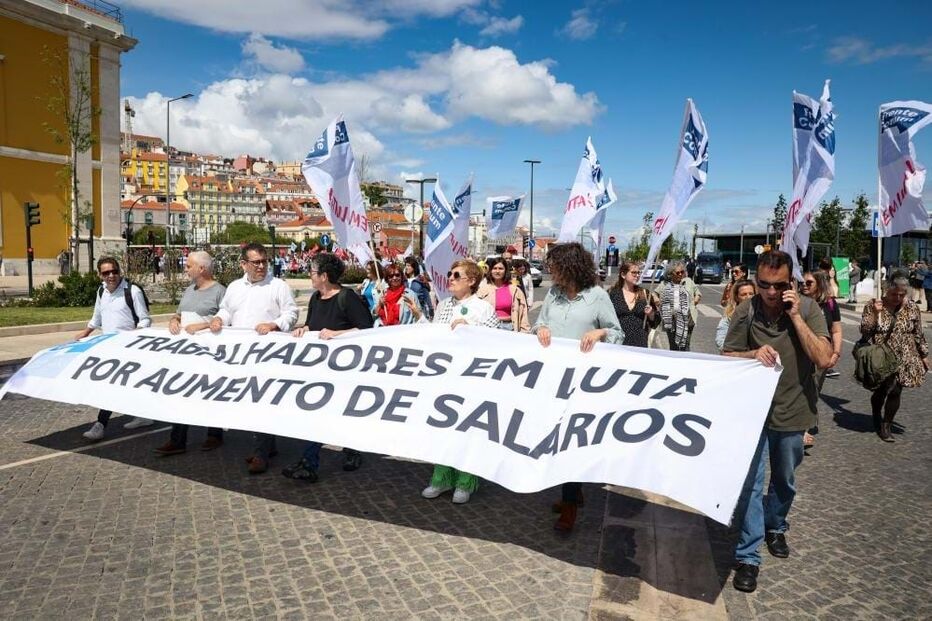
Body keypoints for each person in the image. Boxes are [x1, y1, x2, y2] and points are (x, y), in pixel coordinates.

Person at [723, 249, 832, 593]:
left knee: (783, 479)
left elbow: (825, 358)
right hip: (753, 413)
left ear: (791, 284)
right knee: (751, 486)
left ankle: (776, 525)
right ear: (756, 282)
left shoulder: (810, 309)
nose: (771, 293)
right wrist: (751, 354)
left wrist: (797, 317)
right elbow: (726, 356)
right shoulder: (746, 310)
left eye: (779, 285)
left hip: (794, 410)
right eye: (764, 285)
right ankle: (748, 556)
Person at [533, 243, 623, 532]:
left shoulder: (597, 296)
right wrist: (541, 329)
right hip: (553, 379)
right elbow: (540, 324)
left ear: (570, 266)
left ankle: (570, 504)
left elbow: (617, 332)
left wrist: (600, 332)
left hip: (584, 383)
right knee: (555, 439)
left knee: (569, 441)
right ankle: (573, 490)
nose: (551, 271)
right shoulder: (553, 294)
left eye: (555, 266)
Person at [283, 253, 374, 482]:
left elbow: (367, 329)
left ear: (324, 276)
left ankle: (351, 450)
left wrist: (337, 334)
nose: (309, 276)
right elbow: (311, 324)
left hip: (345, 370)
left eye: (312, 272)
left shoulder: (347, 298)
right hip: (319, 369)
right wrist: (304, 329)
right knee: (316, 414)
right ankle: (309, 462)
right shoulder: (315, 298)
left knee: (341, 412)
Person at [209, 243, 299, 474]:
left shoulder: (278, 286)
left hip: (268, 356)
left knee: (263, 402)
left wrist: (274, 324)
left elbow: (291, 313)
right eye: (255, 262)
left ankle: (261, 452)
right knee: (249, 403)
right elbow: (227, 310)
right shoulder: (234, 287)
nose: (261, 266)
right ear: (243, 264)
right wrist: (219, 319)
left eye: (264, 261)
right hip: (240, 356)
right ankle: (267, 445)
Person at [421, 259, 500, 504]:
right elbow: (434, 335)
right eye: (449, 274)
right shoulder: (443, 305)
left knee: (467, 430)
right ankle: (441, 477)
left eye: (456, 275)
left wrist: (471, 329)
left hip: (472, 378)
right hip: (446, 376)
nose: (451, 279)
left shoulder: (483, 308)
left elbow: (496, 341)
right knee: (443, 429)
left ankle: (466, 481)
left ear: (472, 281)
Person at [154, 251, 227, 456]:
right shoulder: (188, 291)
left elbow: (225, 321)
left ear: (201, 269)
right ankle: (177, 439)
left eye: (188, 266)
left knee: (210, 393)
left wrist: (203, 326)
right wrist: (173, 320)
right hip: (185, 354)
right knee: (180, 392)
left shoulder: (220, 291)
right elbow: (179, 313)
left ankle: (214, 434)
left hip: (209, 354)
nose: (185, 270)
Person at [79, 257, 153, 441]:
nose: (111, 276)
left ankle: (100, 425)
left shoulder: (132, 291)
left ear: (119, 271)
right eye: (106, 273)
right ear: (100, 275)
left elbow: (145, 319)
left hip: (130, 348)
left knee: (111, 385)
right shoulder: (101, 291)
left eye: (114, 271)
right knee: (126, 384)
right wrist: (85, 333)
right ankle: (144, 414)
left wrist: (133, 335)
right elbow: (97, 317)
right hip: (109, 347)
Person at [859, 276, 929, 442]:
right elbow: (865, 331)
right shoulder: (873, 304)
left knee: (896, 390)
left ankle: (886, 424)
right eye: (894, 294)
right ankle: (876, 412)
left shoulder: (911, 307)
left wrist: (924, 354)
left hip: (904, 355)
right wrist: (875, 315)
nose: (898, 298)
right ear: (886, 291)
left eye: (901, 294)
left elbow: (918, 332)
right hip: (882, 354)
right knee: (881, 389)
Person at [608, 261, 656, 348]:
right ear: (623, 275)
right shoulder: (613, 294)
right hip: (618, 343)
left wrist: (651, 314)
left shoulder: (645, 293)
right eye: (634, 273)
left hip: (640, 343)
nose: (637, 275)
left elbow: (656, 321)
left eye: (639, 273)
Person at [477, 256, 530, 333]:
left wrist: (525, 332)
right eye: (495, 268)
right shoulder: (482, 289)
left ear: (505, 271)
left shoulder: (515, 290)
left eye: (500, 268)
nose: (497, 271)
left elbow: (524, 315)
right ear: (490, 270)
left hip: (509, 328)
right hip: (488, 329)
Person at [656, 260, 700, 351]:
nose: (680, 274)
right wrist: (657, 300)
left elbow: (698, 293)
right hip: (671, 319)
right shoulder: (664, 284)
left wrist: (694, 301)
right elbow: (654, 294)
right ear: (670, 274)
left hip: (687, 319)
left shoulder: (688, 281)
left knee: (685, 345)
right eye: (678, 272)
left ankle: (685, 363)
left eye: (682, 272)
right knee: (673, 346)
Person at [715, 279, 756, 351]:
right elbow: (720, 340)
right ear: (737, 297)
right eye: (744, 294)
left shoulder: (763, 313)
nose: (748, 297)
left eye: (751, 294)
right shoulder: (729, 316)